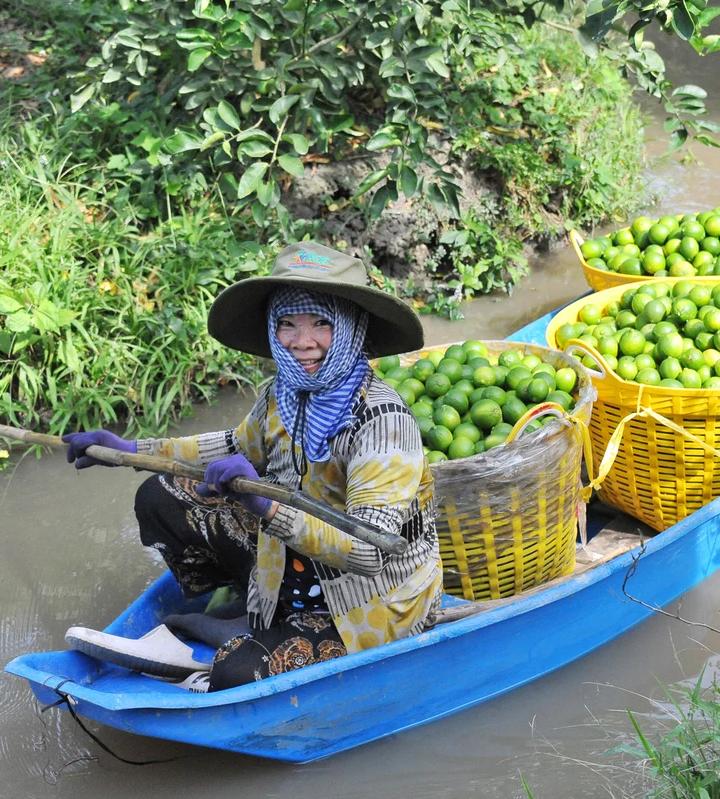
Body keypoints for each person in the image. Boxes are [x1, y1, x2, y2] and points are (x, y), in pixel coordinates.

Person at [62, 242, 440, 692]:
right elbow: (229, 445)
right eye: (287, 324)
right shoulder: (282, 394)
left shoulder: (383, 422)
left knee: (236, 673)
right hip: (296, 559)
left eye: (322, 323)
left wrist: (265, 505)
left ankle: (237, 646)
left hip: (373, 596)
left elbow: (370, 551)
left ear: (352, 327)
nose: (303, 343)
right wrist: (129, 448)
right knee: (161, 496)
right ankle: (257, 610)